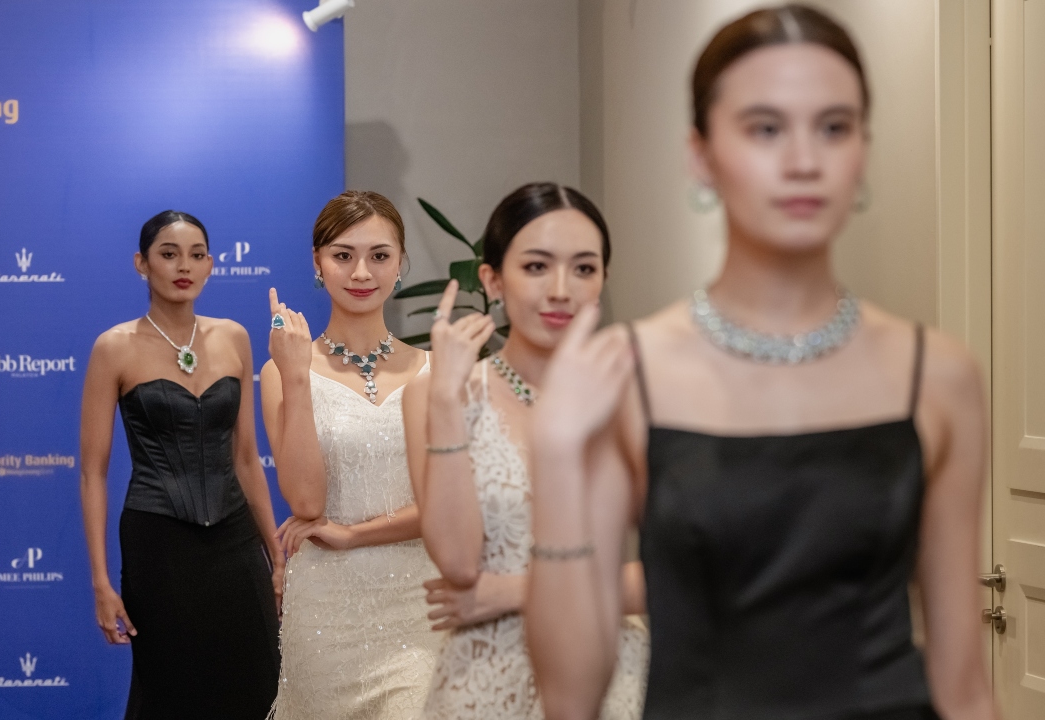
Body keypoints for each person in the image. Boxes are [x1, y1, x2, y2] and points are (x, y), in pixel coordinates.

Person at [525, 6, 996, 720]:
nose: (804, 160)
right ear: (701, 155)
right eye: (766, 129)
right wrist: (558, 457)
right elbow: (569, 697)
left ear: (862, 152)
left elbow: (966, 688)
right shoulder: (631, 374)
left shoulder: (937, 374)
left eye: (834, 127)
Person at [404, 182, 648, 720]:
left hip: (604, 667)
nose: (561, 290)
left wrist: (516, 591)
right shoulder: (437, 394)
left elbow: (682, 571)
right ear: (492, 280)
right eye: (537, 266)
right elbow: (458, 563)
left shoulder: (629, 396)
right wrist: (445, 401)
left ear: (603, 279)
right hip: (483, 676)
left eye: (584, 269)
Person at [79, 210, 283, 720]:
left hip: (236, 541)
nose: (183, 266)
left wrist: (276, 557)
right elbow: (92, 474)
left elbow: (246, 457)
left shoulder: (234, 337)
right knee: (171, 693)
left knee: (260, 684)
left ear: (211, 265)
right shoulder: (113, 347)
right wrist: (101, 582)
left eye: (196, 255)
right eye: (168, 254)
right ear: (141, 263)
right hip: (157, 546)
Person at [262, 190, 441, 719]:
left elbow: (446, 508)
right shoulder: (281, 372)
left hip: (418, 606)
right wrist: (296, 375)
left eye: (379, 255)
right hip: (325, 613)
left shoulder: (435, 370)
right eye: (343, 255)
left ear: (400, 263)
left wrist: (354, 534)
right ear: (318, 263)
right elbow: (306, 502)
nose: (362, 272)